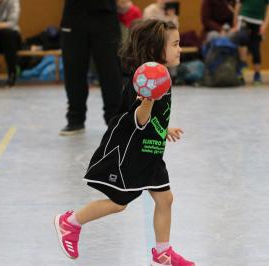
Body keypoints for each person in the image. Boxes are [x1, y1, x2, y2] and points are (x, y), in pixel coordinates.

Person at [54, 19, 195, 266]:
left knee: (165, 199)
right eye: (175, 44)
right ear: (156, 49)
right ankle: (70, 222)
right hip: (131, 154)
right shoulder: (145, 80)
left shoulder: (160, 77)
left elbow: (150, 119)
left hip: (151, 150)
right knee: (119, 204)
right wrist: (148, 102)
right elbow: (138, 120)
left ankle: (162, 254)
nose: (179, 49)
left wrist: (164, 128)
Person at [59, 0, 123, 135]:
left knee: (110, 70)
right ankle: (75, 119)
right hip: (74, 16)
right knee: (73, 69)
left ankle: (114, 119)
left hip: (105, 16)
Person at [232, 0, 269, 84]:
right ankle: (242, 66)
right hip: (244, 18)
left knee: (256, 46)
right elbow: (238, 3)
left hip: (258, 21)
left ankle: (257, 74)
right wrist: (235, 22)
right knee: (242, 38)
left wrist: (265, 25)